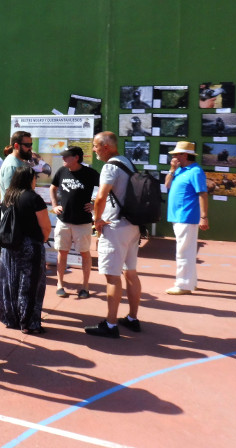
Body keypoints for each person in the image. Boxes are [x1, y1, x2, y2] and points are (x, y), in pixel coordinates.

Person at [86, 131, 142, 338]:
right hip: (132, 226)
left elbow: (101, 197)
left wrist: (96, 220)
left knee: (112, 277)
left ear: (106, 147)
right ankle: (132, 318)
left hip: (115, 226)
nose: (94, 149)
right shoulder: (127, 162)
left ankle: (110, 325)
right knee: (131, 273)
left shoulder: (110, 166)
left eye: (95, 145)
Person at [0, 166, 52, 333]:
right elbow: (46, 227)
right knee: (30, 284)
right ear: (29, 179)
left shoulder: (8, 196)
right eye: (34, 178)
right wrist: (42, 239)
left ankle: (10, 317)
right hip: (30, 247)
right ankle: (28, 323)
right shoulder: (33, 198)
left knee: (10, 282)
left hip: (10, 246)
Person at [49, 146, 100, 299]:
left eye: (67, 156)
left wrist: (95, 204)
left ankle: (85, 286)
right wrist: (54, 205)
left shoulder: (90, 173)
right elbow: (53, 188)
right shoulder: (61, 171)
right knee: (62, 252)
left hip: (83, 222)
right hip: (63, 221)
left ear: (76, 157)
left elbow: (106, 189)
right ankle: (60, 284)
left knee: (85, 253)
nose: (63, 159)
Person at [164, 141, 209, 295]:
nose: (174, 157)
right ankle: (191, 282)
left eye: (176, 154)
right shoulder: (179, 170)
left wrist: (204, 217)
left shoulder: (195, 171)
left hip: (186, 217)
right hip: (178, 217)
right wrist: (171, 170)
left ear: (184, 155)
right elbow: (167, 185)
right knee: (187, 251)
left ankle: (183, 285)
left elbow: (202, 194)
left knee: (183, 252)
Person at [0, 131, 32, 195]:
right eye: (27, 145)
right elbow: (11, 195)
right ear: (16, 146)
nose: (30, 148)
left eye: (31, 145)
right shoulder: (11, 166)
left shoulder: (20, 162)